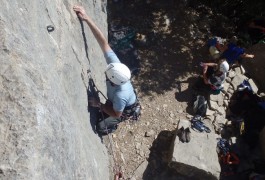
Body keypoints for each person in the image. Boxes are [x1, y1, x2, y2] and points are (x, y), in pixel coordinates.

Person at [73, 5, 139, 134]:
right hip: (115, 100)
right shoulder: (117, 68)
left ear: (113, 80)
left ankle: (110, 127)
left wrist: (99, 105)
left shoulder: (121, 95)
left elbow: (117, 113)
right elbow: (103, 42)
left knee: (101, 126)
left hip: (122, 109)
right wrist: (87, 18)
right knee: (105, 109)